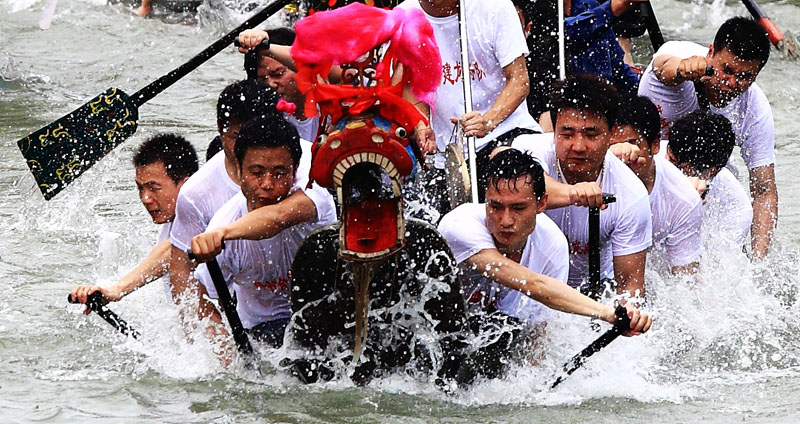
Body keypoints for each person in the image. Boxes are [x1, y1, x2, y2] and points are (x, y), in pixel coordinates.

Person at [190, 116, 335, 356]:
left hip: (323, 316)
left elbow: (278, 217)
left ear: (295, 170)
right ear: (238, 170)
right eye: (257, 172)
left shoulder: (312, 192)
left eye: (279, 173)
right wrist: (228, 357)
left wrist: (223, 234)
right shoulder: (223, 222)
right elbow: (204, 299)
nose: (267, 184)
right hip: (263, 333)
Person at [638, 16, 776, 259]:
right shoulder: (679, 55)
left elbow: (764, 190)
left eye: (745, 77)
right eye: (727, 70)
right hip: (647, 168)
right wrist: (683, 70)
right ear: (711, 52)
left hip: (708, 180)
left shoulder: (756, 107)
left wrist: (759, 262)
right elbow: (663, 66)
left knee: (737, 218)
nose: (732, 83)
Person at [512, 75, 652, 301]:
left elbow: (630, 288)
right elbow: (525, 183)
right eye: (566, 134)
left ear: (612, 134)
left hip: (592, 291)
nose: (578, 146)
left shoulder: (632, 194)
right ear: (553, 130)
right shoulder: (529, 148)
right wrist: (573, 194)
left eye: (591, 135)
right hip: (531, 283)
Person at [397, 0, 542, 205]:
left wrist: (487, 121)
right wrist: (421, 125)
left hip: (507, 134)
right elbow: (411, 87)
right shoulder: (404, 15)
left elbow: (519, 81)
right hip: (449, 154)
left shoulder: (495, 7)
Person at [166, 80, 281, 337]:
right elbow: (182, 275)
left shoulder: (308, 164)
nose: (249, 150)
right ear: (220, 130)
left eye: (259, 138)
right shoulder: (196, 193)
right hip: (253, 321)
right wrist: (219, 345)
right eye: (239, 137)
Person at [438, 148, 568, 331]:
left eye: (518, 208)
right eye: (496, 206)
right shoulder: (458, 224)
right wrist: (604, 313)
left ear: (541, 204)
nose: (505, 221)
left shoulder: (553, 245)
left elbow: (541, 331)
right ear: (486, 200)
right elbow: (532, 283)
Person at [69, 134, 198, 309]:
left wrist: (116, 290)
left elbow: (173, 249)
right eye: (140, 188)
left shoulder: (206, 215)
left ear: (186, 185)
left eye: (154, 188)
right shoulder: (171, 217)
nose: (145, 199)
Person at [609, 96, 703, 274]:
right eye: (612, 145)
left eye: (632, 143)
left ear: (654, 145)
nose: (624, 154)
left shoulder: (683, 199)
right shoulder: (586, 170)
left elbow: (685, 283)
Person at [664, 110, 751, 249]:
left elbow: (710, 267)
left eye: (673, 161)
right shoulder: (647, 161)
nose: (665, 164)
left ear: (709, 172)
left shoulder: (736, 209)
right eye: (668, 156)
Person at [243, 27, 320, 143]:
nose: (271, 85)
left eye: (278, 74)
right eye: (262, 80)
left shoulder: (332, 97)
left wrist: (269, 49)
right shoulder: (260, 117)